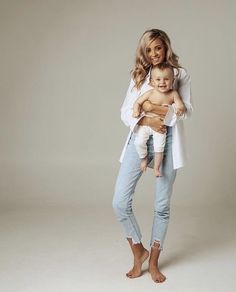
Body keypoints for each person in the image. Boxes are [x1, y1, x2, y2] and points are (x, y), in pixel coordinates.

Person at [112, 28, 193, 283]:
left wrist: (162, 110)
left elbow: (187, 109)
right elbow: (126, 111)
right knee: (119, 202)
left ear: (166, 47)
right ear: (144, 53)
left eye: (158, 48)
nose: (154, 54)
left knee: (161, 206)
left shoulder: (179, 74)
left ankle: (155, 261)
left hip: (168, 142)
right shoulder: (139, 77)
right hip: (140, 138)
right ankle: (139, 251)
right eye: (149, 50)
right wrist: (145, 114)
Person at [132, 63, 186, 177]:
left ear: (172, 80)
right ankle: (143, 158)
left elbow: (180, 105)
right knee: (139, 142)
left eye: (166, 79)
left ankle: (156, 168)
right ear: (151, 82)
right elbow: (137, 102)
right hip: (146, 124)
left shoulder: (173, 94)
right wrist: (136, 110)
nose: (162, 82)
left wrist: (180, 108)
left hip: (161, 127)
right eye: (158, 79)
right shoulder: (150, 93)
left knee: (159, 148)